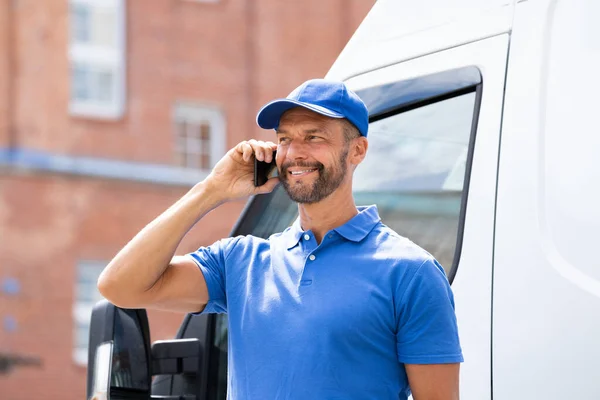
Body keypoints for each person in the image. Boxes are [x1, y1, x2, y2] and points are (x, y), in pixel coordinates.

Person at [98, 79, 463, 400]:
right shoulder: (240, 261)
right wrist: (212, 190)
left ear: (357, 150)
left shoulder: (410, 272)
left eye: (314, 137)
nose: (295, 152)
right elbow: (120, 286)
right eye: (285, 139)